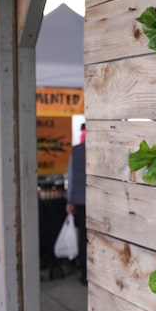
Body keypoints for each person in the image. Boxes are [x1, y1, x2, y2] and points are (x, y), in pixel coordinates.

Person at [66, 122, 87, 285]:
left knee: (83, 238)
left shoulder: (77, 151)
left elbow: (71, 178)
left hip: (80, 200)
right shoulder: (98, 149)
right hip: (96, 201)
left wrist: (69, 200)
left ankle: (84, 274)